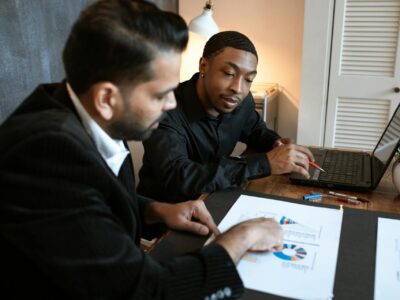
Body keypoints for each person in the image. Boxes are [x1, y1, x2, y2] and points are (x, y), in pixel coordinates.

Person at [0, 1, 283, 299]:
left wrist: (156, 209)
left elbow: (91, 200)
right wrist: (241, 237)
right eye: (160, 94)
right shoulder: (48, 156)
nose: (172, 104)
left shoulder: (80, 109)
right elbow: (149, 292)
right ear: (107, 98)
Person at [138, 30, 314, 203]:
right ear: (203, 66)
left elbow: (255, 131)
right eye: (229, 74)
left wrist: (277, 145)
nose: (238, 88)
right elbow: (179, 177)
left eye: (248, 79)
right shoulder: (165, 109)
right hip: (166, 216)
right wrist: (265, 163)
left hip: (217, 197)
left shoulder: (241, 101)